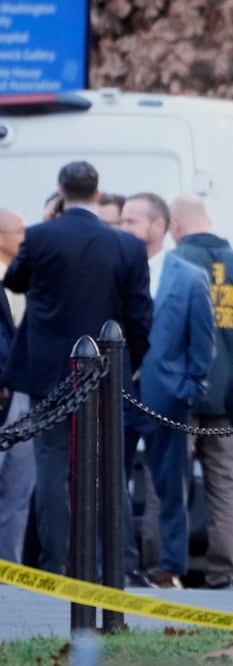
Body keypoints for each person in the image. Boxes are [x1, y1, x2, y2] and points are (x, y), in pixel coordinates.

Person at [2, 161, 153, 575]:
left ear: (61, 192)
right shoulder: (127, 246)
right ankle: (118, 563)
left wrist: (46, 224)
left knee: (52, 468)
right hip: (105, 373)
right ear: (98, 193)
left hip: (48, 374)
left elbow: (14, 281)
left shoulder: (40, 236)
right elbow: (140, 316)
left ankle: (58, 563)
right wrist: (126, 365)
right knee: (109, 468)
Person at [119, 192, 216, 589]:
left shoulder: (189, 277)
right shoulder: (117, 270)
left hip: (167, 396)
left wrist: (187, 388)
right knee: (111, 480)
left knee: (170, 485)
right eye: (122, 221)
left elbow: (202, 342)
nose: (123, 228)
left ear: (158, 226)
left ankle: (171, 567)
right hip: (119, 393)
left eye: (131, 221)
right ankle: (119, 563)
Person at [170, 194, 233, 589]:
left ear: (175, 225)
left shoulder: (175, 263)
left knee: (171, 479)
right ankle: (224, 570)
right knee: (225, 482)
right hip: (226, 396)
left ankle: (164, 567)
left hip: (180, 393)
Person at [0, 209, 30, 563]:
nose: (27, 237)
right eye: (20, 231)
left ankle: (10, 570)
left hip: (25, 396)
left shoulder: (25, 280)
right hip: (5, 395)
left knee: (18, 492)